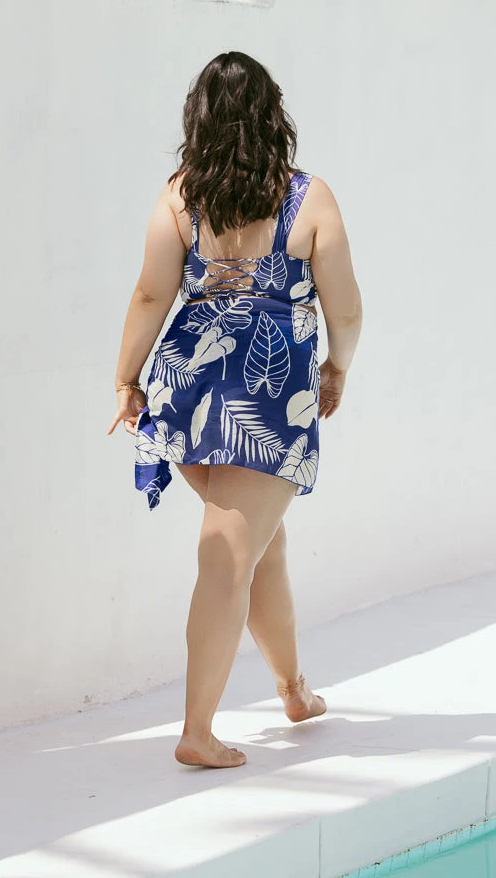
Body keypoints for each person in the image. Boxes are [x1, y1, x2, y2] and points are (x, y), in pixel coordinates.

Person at [107, 51, 362, 769]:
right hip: (267, 393)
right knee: (227, 555)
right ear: (272, 114)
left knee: (259, 546)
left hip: (186, 387)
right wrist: (337, 365)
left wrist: (126, 379)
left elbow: (151, 295)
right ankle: (197, 732)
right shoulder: (308, 198)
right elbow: (344, 307)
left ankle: (293, 690)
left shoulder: (180, 195)